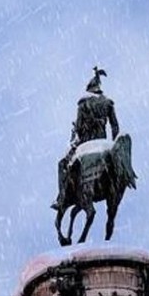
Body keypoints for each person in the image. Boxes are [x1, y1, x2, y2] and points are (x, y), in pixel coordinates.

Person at [52, 66, 120, 210]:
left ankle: (62, 198)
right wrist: (112, 145)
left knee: (62, 164)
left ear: (89, 90)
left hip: (86, 143)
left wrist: (74, 141)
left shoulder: (83, 104)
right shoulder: (108, 103)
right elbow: (115, 127)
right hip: (103, 143)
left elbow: (78, 128)